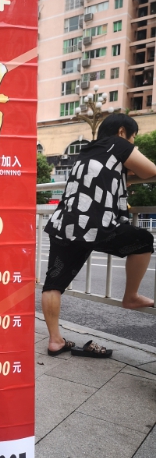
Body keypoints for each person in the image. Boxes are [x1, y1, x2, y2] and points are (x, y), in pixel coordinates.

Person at [42, 114, 156, 358]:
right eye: (133, 138)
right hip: (97, 225)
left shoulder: (87, 151)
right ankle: (131, 296)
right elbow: (150, 171)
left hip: (64, 224)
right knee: (144, 240)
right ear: (122, 131)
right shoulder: (118, 144)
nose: (133, 143)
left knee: (53, 284)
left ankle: (55, 341)